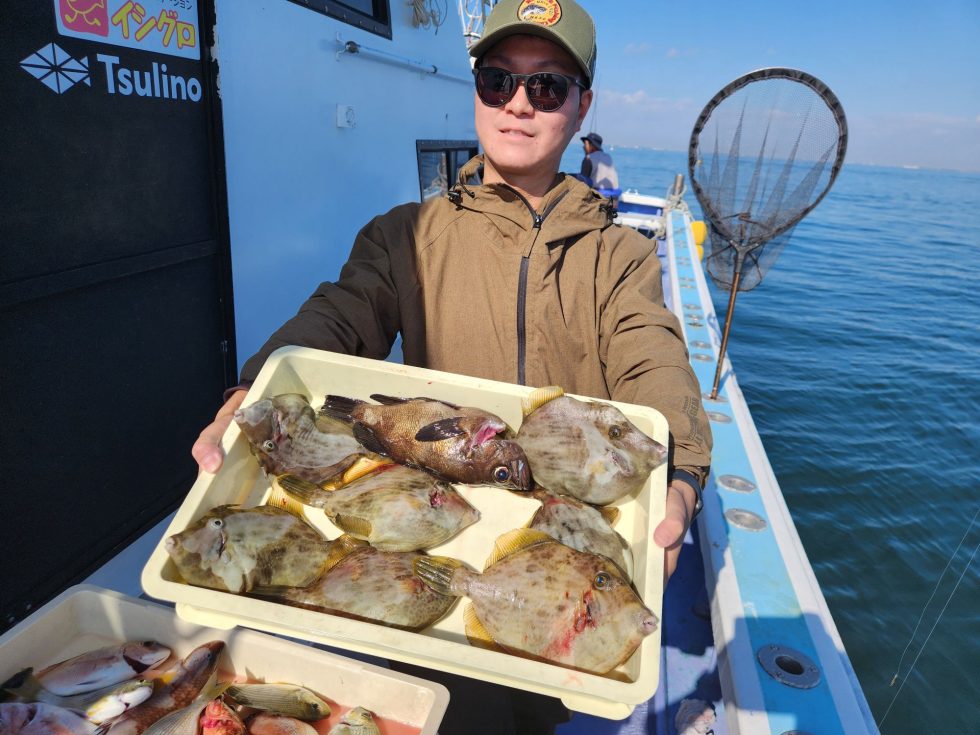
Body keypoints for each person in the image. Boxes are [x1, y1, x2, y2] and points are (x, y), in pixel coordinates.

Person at [192, 0, 711, 732]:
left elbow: (649, 350)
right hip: (427, 538)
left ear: (582, 103)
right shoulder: (406, 233)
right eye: (498, 80)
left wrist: (680, 472)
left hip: (562, 552)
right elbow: (341, 314)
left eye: (547, 86)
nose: (518, 104)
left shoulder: (618, 255)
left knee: (531, 713)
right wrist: (256, 385)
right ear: (476, 90)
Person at [579, 131, 620, 198]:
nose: (583, 147)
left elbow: (583, 183)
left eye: (585, 144)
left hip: (599, 197)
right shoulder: (608, 157)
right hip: (614, 198)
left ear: (592, 146)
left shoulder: (588, 158)